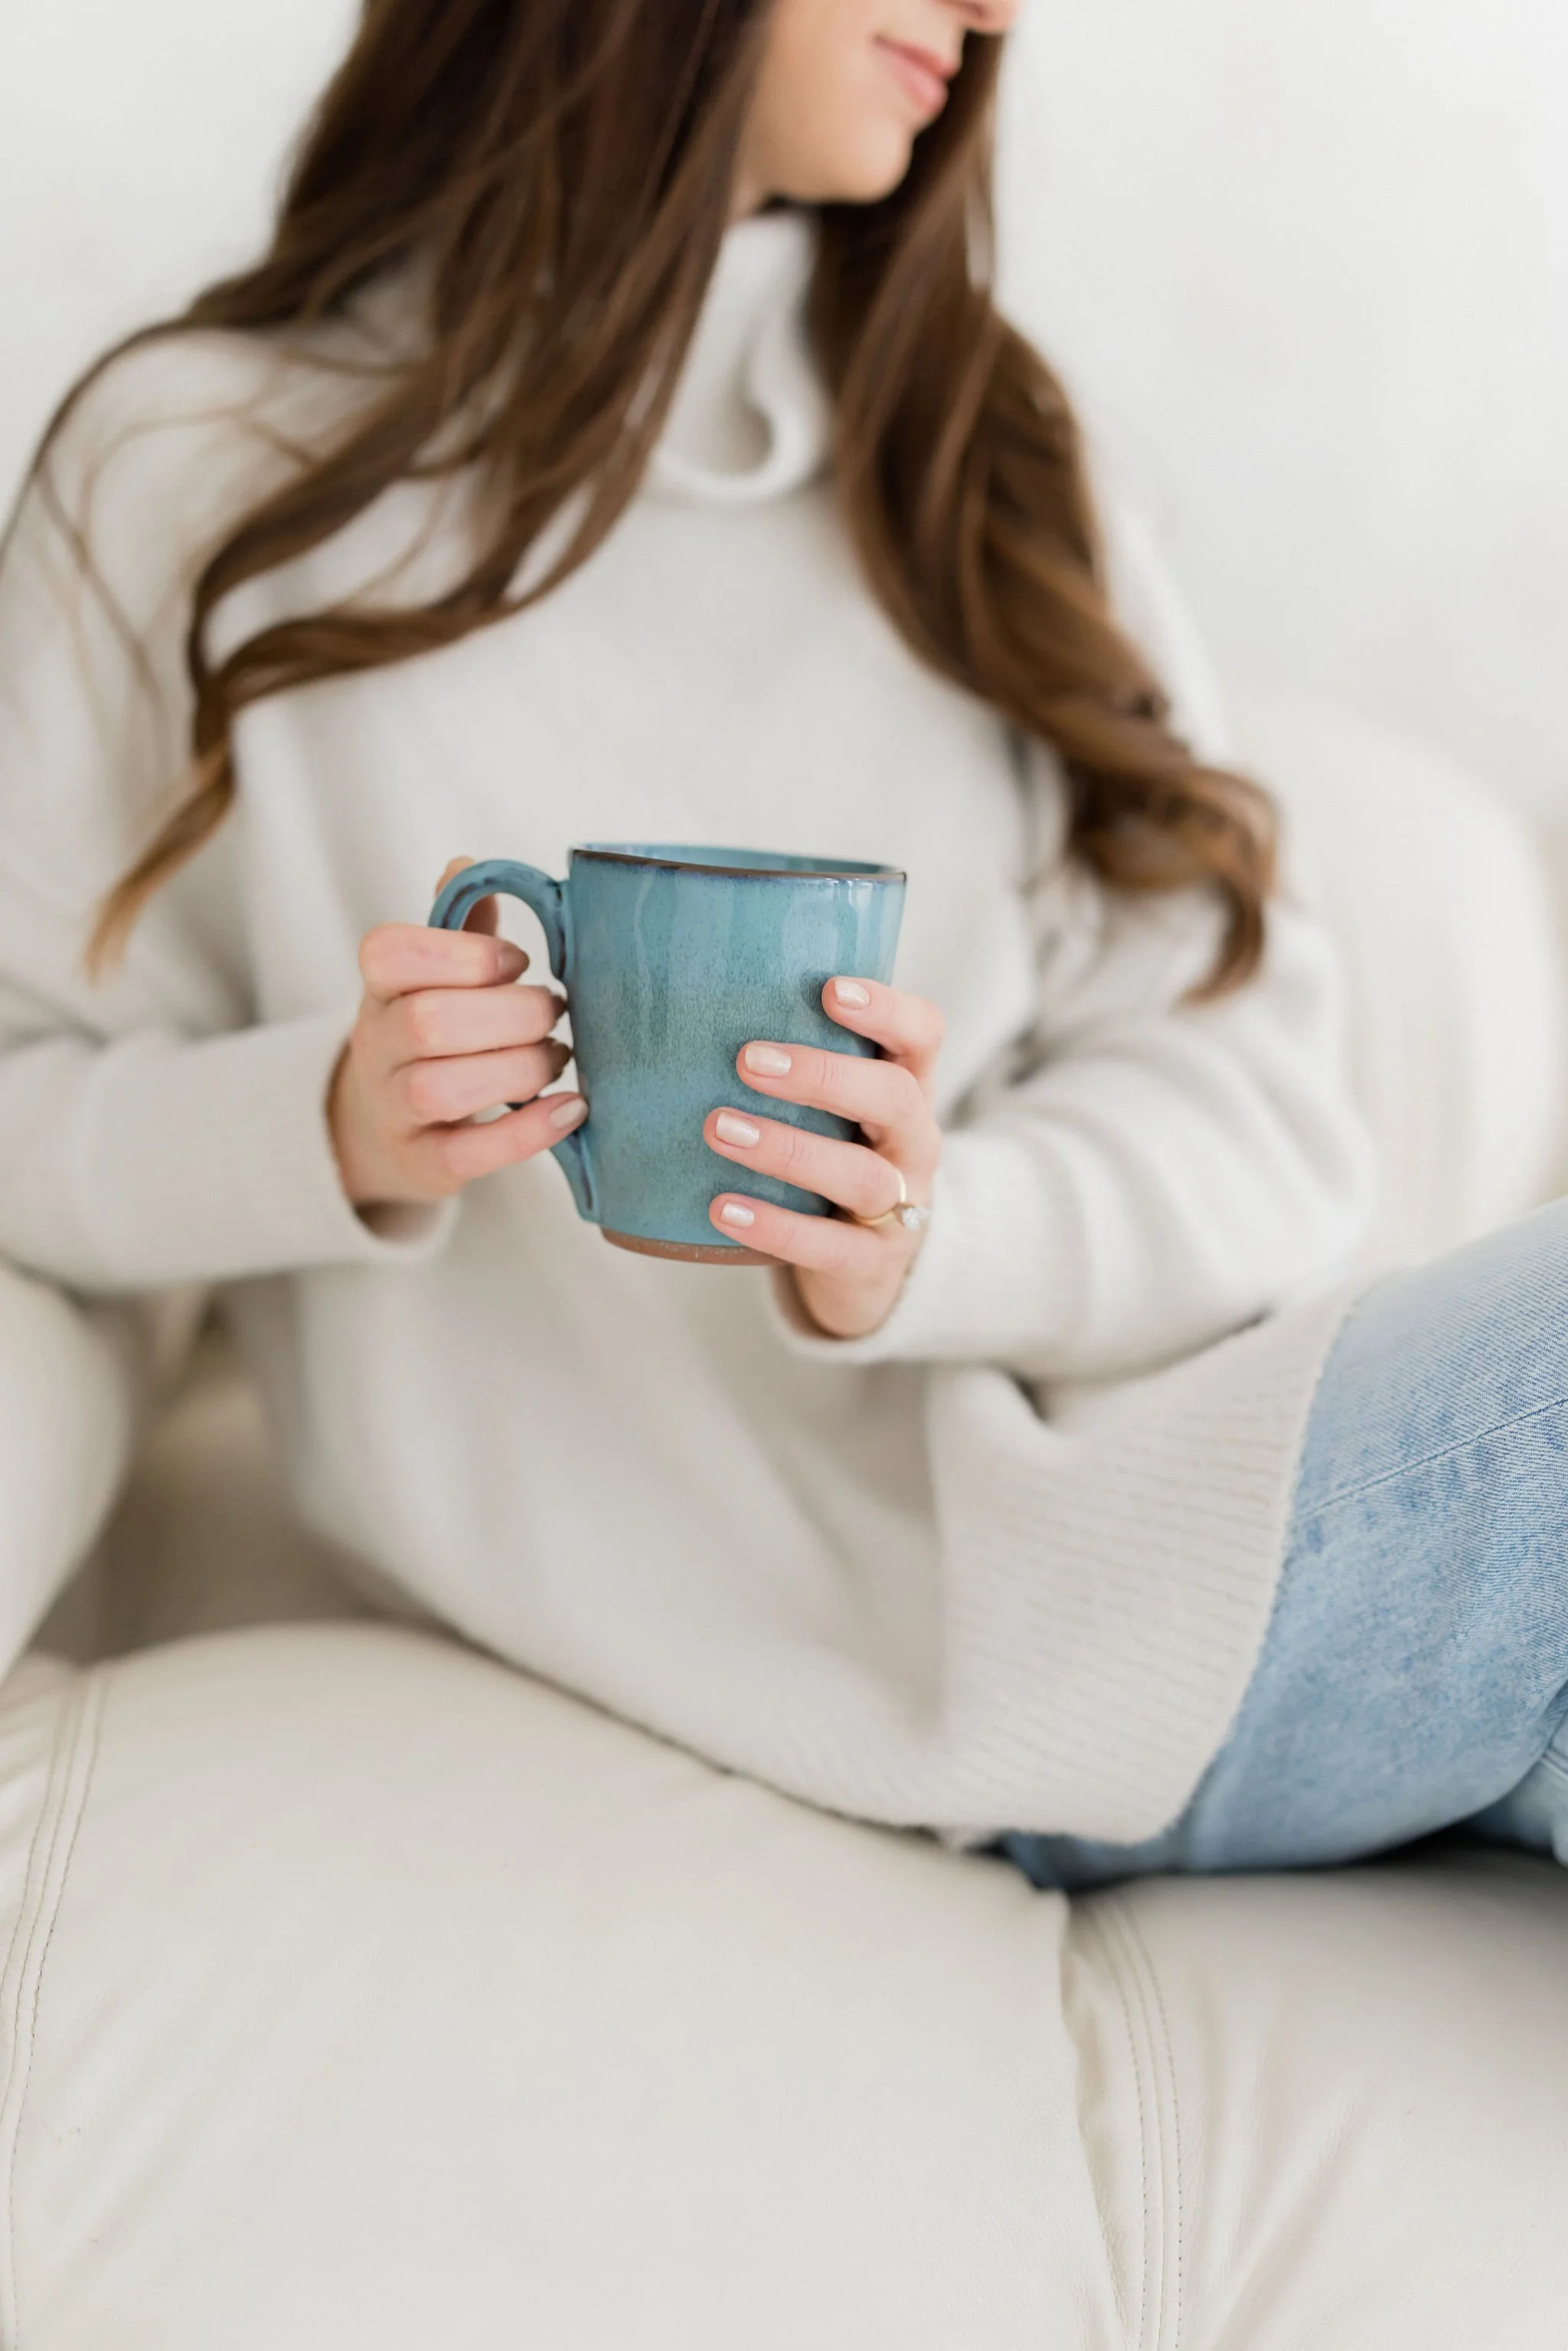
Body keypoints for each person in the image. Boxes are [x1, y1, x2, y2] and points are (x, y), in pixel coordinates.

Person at [0, 0, 1563, 1886]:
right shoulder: (195, 467)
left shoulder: (987, 461)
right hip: (978, 1652)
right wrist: (329, 1128)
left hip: (1197, 1512)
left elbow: (1264, 1125)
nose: (995, 11)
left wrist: (923, 1235)